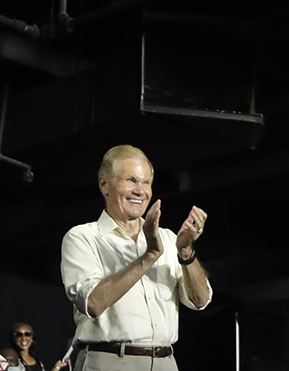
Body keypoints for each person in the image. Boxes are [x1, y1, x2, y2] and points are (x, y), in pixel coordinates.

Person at [60, 145, 212, 371]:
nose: (140, 190)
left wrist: (186, 252)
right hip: (110, 361)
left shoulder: (169, 238)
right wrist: (149, 256)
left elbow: (200, 301)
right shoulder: (83, 237)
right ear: (104, 185)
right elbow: (92, 303)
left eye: (146, 182)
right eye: (131, 180)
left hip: (165, 362)